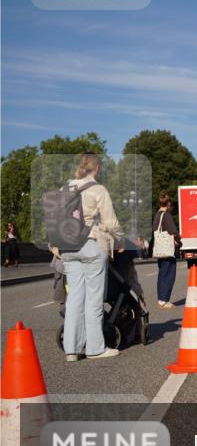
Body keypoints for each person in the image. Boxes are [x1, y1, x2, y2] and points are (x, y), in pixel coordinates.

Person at [56, 152, 125, 361]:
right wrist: (119, 240)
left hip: (67, 247)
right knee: (93, 299)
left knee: (74, 299)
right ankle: (95, 348)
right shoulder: (97, 189)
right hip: (90, 245)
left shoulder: (64, 189)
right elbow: (111, 222)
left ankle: (71, 349)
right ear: (96, 168)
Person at [152, 193, 181, 308]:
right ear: (168, 203)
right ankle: (164, 299)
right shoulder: (166, 215)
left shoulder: (157, 216)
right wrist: (179, 241)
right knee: (169, 274)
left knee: (162, 273)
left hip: (160, 249)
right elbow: (173, 231)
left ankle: (161, 299)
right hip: (168, 250)